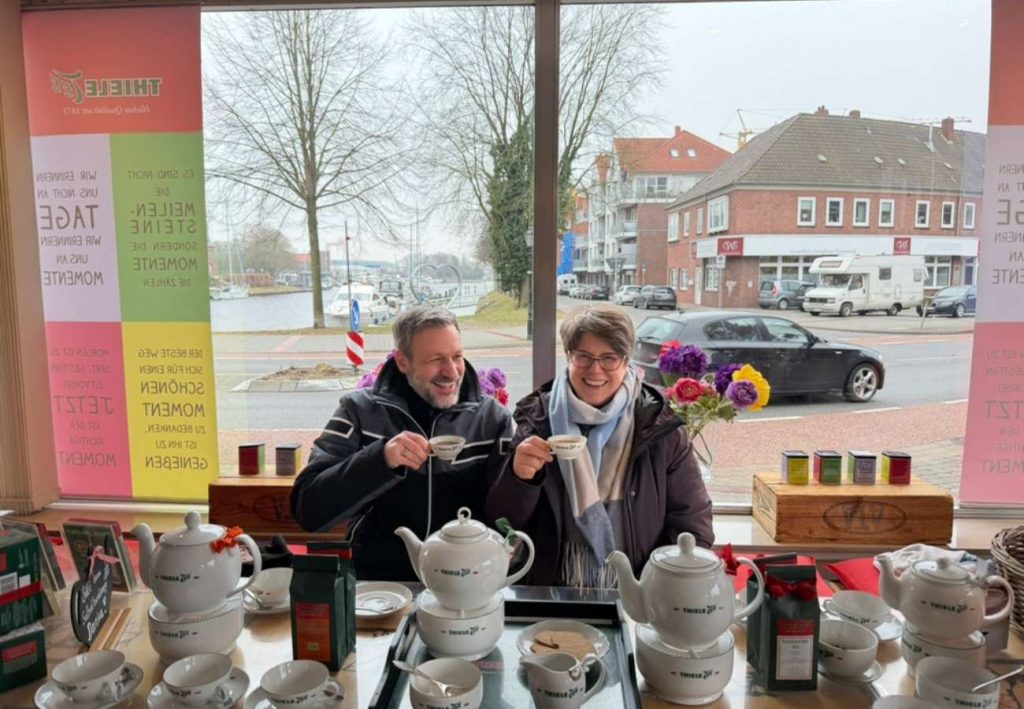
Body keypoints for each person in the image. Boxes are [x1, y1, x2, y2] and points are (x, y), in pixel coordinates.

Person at [486, 304, 713, 588]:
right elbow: (501, 524)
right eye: (583, 356)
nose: (595, 369)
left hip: (638, 591)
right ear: (569, 356)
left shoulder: (660, 428)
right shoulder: (536, 423)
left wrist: (653, 587)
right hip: (550, 591)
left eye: (609, 358)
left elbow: (692, 524)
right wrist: (518, 478)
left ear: (626, 361)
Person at [291, 305, 513, 581]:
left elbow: (508, 514)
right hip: (379, 579)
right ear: (402, 361)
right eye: (436, 359)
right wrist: (381, 459)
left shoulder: (492, 418)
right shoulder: (358, 411)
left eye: (457, 356)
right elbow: (308, 510)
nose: (452, 371)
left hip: (466, 580)